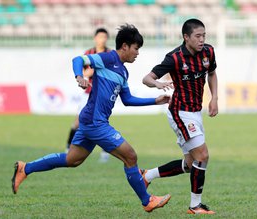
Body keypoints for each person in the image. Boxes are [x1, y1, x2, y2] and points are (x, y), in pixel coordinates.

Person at [12, 24, 171, 213]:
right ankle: (147, 201)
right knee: (130, 156)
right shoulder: (108, 58)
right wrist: (79, 76)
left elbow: (127, 100)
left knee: (72, 160)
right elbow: (78, 59)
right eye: (136, 48)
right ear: (125, 46)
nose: (137, 53)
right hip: (95, 122)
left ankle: (25, 168)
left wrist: (155, 100)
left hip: (91, 121)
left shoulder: (123, 71)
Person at [142, 18, 218, 215]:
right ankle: (195, 206)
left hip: (195, 112)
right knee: (203, 156)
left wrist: (214, 98)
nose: (202, 40)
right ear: (186, 37)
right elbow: (147, 78)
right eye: (197, 36)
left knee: (191, 164)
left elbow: (212, 73)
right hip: (180, 112)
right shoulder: (174, 58)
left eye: (204, 35)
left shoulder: (208, 52)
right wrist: (157, 84)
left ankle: (147, 175)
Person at [66, 27, 111, 163]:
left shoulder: (110, 54)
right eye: (100, 37)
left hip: (102, 94)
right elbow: (84, 72)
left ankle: (105, 153)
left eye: (104, 37)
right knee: (78, 122)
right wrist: (89, 73)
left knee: (101, 122)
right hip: (88, 93)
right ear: (95, 38)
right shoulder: (89, 53)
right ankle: (69, 147)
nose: (102, 39)